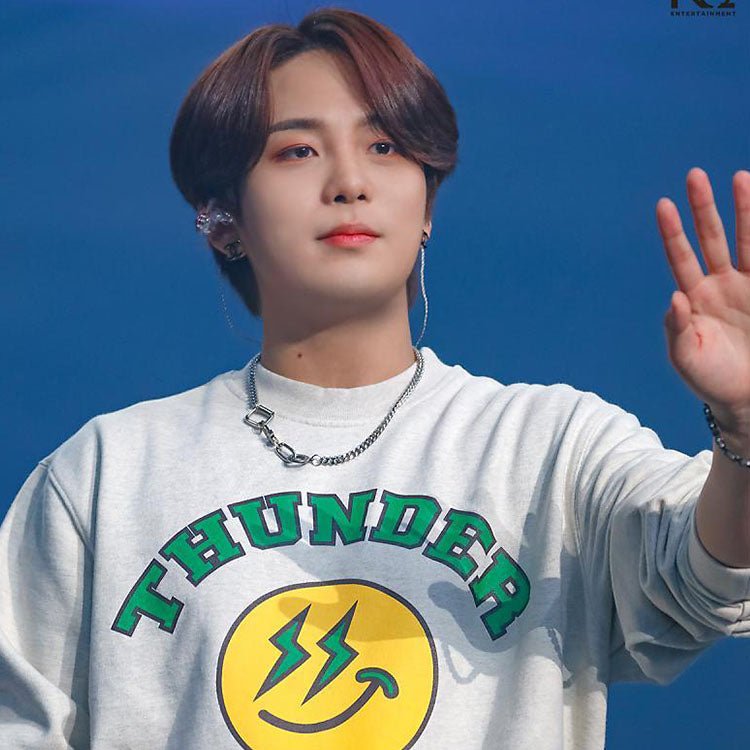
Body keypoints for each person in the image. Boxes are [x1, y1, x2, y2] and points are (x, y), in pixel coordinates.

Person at [1, 7, 749, 750]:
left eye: (385, 146)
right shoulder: (107, 473)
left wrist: (744, 424)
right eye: (297, 151)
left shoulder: (550, 445)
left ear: (427, 206)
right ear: (223, 219)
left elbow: (705, 578)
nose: (350, 181)